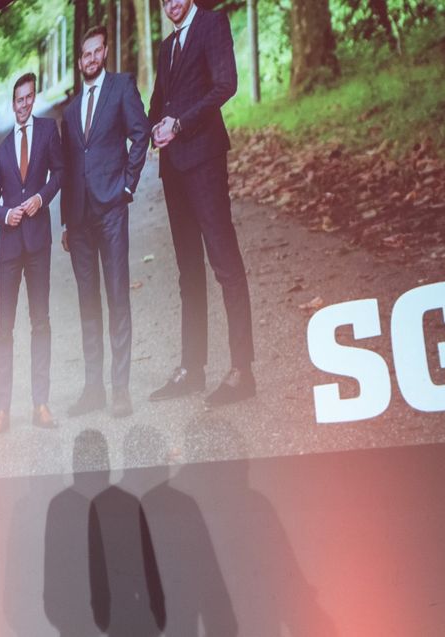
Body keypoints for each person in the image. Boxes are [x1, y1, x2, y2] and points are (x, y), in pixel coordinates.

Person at [148, 0, 256, 406]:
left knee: (225, 263)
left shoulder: (213, 24)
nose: (170, 3)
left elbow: (224, 85)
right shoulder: (165, 47)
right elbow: (158, 103)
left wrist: (180, 124)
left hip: (206, 160)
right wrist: (141, 132)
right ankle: (192, 371)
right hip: (173, 170)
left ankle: (242, 371)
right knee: (187, 272)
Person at [60, 25, 149, 419]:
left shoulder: (121, 87)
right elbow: (67, 169)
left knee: (117, 297)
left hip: (112, 210)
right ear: (79, 61)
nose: (91, 58)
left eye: (97, 51)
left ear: (105, 52)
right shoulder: (69, 109)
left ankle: (120, 390)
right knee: (88, 305)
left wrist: (127, 187)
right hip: (78, 220)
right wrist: (64, 222)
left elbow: (140, 134)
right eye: (86, 54)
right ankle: (93, 389)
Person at [0, 72, 63, 436]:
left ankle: (40, 404)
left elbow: (60, 173)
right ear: (12, 102)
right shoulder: (1, 150)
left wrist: (40, 198)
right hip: (8, 249)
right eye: (19, 99)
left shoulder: (48, 131)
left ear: (34, 98)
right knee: (4, 328)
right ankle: (2, 410)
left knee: (41, 322)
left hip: (38, 244)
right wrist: (4, 214)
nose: (24, 103)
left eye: (29, 97)